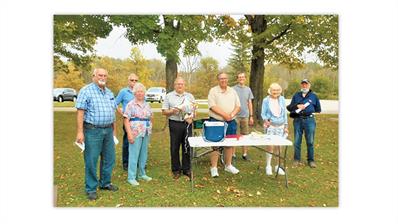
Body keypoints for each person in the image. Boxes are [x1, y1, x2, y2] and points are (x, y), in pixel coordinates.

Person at [75, 68, 118, 200]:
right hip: (92, 131)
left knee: (109, 158)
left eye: (105, 75)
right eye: (100, 75)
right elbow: (80, 112)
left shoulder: (109, 92)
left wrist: (114, 131)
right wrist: (80, 132)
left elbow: (113, 112)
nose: (103, 77)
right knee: (92, 160)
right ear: (93, 76)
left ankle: (105, 183)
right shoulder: (86, 91)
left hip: (108, 130)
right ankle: (91, 188)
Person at [207, 72, 241, 177]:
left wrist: (231, 115)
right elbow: (212, 106)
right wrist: (225, 115)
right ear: (218, 80)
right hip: (216, 121)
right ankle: (213, 168)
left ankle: (228, 165)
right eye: (221, 78)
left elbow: (238, 106)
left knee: (229, 144)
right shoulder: (213, 91)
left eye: (225, 78)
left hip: (231, 122)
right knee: (215, 144)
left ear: (228, 79)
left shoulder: (232, 91)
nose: (223, 80)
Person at [162, 77, 195, 179]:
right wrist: (172, 111)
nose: (180, 86)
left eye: (181, 84)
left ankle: (186, 169)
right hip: (175, 123)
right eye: (178, 84)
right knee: (175, 147)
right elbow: (163, 111)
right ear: (174, 85)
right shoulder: (169, 96)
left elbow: (194, 110)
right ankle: (176, 169)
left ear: (184, 85)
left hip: (187, 123)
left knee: (187, 146)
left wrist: (191, 117)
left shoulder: (190, 96)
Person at [123, 83, 153, 186]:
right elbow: (126, 120)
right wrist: (129, 134)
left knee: (143, 154)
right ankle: (131, 177)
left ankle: (141, 174)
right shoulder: (130, 104)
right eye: (138, 91)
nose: (140, 93)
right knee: (133, 154)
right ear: (134, 93)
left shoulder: (147, 104)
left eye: (142, 91)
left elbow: (150, 117)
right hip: (135, 132)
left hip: (146, 131)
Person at [286, 79, 321, 168]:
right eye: (303, 84)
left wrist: (308, 111)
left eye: (306, 84)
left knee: (310, 141)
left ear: (309, 85)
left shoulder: (314, 96)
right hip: (298, 120)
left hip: (310, 121)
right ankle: (296, 159)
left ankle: (311, 160)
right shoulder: (296, 95)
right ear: (301, 85)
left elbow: (318, 109)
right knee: (297, 141)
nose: (304, 86)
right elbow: (290, 108)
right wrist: (297, 106)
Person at [261, 83, 288, 175]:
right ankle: (268, 166)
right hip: (270, 126)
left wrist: (286, 126)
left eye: (277, 90)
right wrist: (266, 120)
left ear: (280, 91)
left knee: (279, 146)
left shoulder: (282, 99)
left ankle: (277, 166)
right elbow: (263, 113)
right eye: (274, 90)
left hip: (281, 126)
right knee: (270, 146)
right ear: (270, 91)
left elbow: (285, 114)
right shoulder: (266, 100)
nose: (275, 92)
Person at [115, 73, 139, 171]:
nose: (134, 82)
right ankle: (126, 162)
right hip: (128, 121)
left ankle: (136, 161)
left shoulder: (140, 91)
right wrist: (120, 111)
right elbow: (114, 103)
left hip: (139, 122)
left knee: (137, 142)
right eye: (132, 80)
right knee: (127, 141)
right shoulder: (123, 92)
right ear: (128, 81)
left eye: (135, 80)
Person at [232, 72, 254, 160]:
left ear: (245, 78)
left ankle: (245, 154)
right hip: (235, 116)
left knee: (245, 135)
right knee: (234, 135)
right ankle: (233, 154)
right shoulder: (233, 89)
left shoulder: (248, 89)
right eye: (239, 77)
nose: (241, 78)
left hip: (245, 115)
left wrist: (251, 116)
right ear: (237, 79)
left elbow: (250, 103)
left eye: (243, 77)